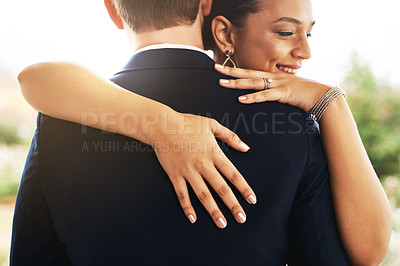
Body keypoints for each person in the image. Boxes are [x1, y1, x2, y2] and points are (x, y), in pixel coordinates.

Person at [12, 0, 391, 265]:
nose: (303, 51)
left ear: (112, 8)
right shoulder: (291, 124)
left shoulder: (60, 122)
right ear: (207, 5)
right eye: (288, 31)